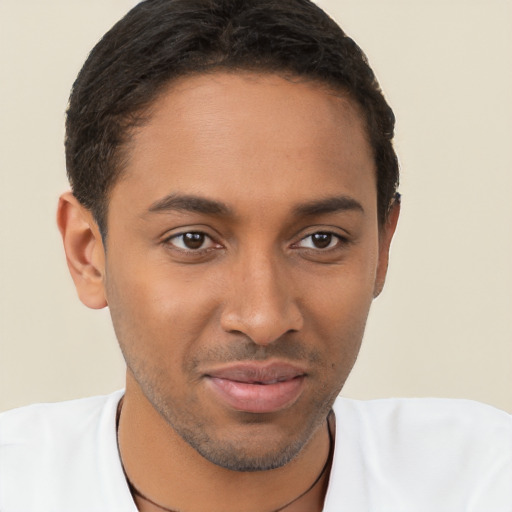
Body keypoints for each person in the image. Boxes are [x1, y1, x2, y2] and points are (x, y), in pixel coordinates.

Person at [0, 0, 510, 510]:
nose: (264, 319)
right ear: (88, 253)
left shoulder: (486, 481)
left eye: (321, 240)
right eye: (193, 240)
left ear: (382, 247)